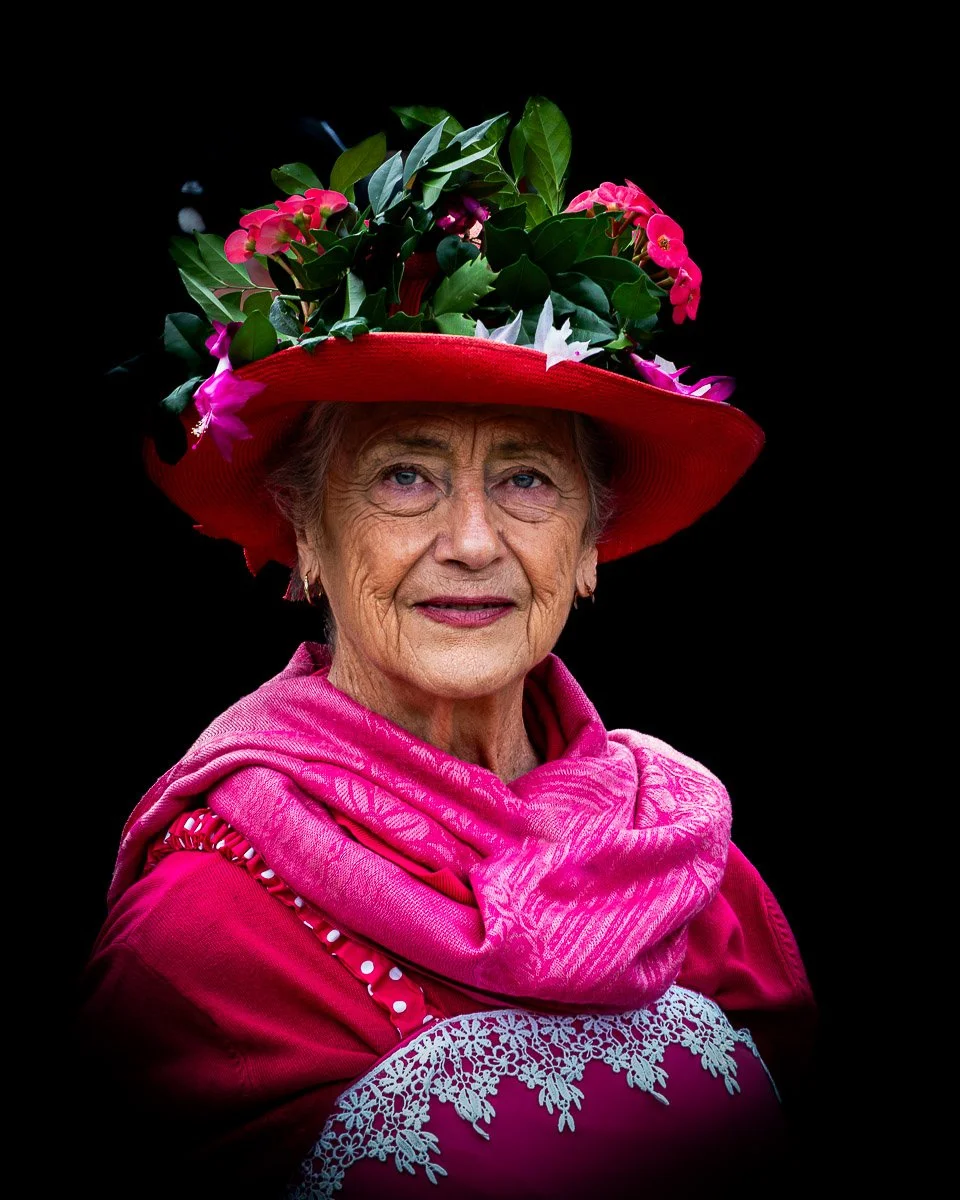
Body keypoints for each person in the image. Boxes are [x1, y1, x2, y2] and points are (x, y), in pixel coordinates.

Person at [71, 98, 819, 1198]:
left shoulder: (695, 870)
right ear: (306, 537)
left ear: (589, 545)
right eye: (404, 475)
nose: (471, 542)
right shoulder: (196, 943)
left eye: (526, 478)